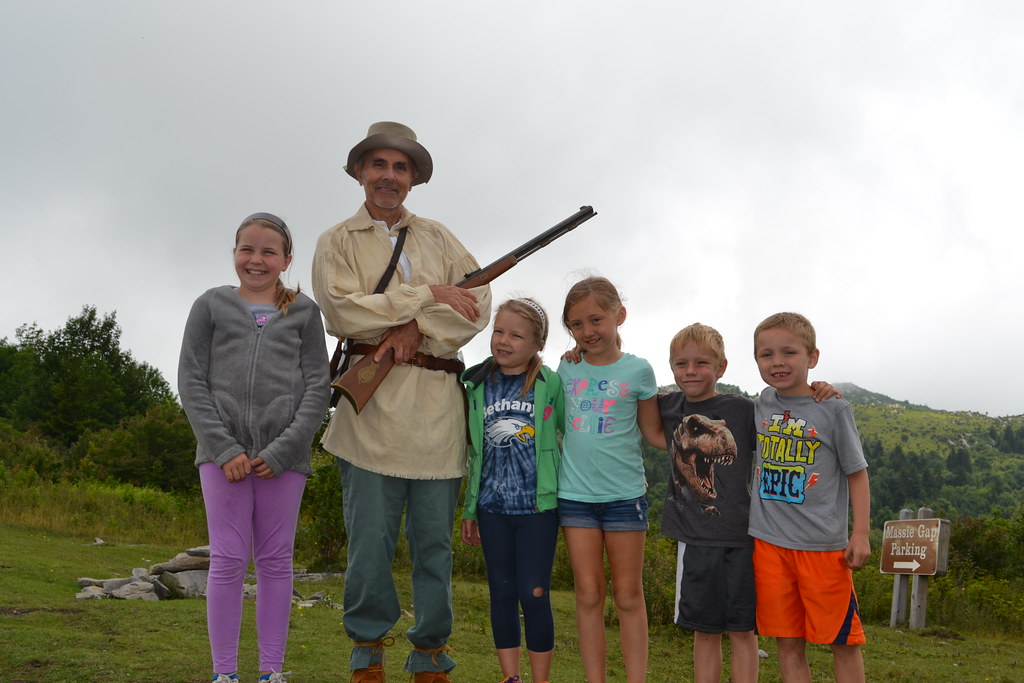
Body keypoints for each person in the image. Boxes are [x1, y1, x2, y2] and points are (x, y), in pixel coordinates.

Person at [311, 121, 491, 683]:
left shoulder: (439, 237)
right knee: (369, 546)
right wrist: (426, 296)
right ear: (361, 172)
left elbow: (478, 303)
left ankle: (431, 651)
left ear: (412, 179)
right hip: (370, 421)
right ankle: (367, 650)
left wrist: (417, 329)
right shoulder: (336, 241)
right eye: (379, 165)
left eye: (400, 167)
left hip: (437, 418)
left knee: (434, 547)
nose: (389, 176)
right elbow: (342, 312)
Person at [178, 212, 331, 683]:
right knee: (226, 558)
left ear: (286, 259)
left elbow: (317, 389)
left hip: (282, 463)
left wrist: (283, 450)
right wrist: (223, 448)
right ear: (235, 254)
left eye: (268, 252)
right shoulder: (210, 306)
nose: (257, 260)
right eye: (247, 249)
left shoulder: (304, 312)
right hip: (221, 459)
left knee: (274, 561)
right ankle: (224, 673)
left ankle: (271, 672)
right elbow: (191, 382)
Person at [748, 312, 871, 683]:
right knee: (787, 643)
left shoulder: (833, 408)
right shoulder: (760, 404)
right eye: (766, 354)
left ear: (812, 358)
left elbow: (857, 472)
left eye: (789, 352)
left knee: (843, 642)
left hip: (823, 548)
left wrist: (861, 533)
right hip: (769, 545)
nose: (777, 362)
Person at [557, 276, 660, 683]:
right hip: (574, 496)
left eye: (596, 319)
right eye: (576, 325)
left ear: (620, 315)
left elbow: (654, 434)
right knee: (587, 594)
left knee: (629, 596)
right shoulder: (566, 366)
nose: (587, 332)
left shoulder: (638, 370)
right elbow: (558, 424)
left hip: (625, 496)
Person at [460, 297, 564, 683]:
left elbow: (568, 429)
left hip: (538, 509)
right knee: (501, 594)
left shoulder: (550, 382)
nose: (503, 341)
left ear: (537, 343)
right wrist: (471, 509)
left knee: (534, 593)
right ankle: (511, 678)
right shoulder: (475, 382)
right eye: (498, 331)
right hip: (491, 508)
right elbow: (475, 453)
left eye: (516, 335)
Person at [652, 323, 760, 683]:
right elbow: (625, 395)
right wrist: (579, 356)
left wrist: (819, 390)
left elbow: (787, 417)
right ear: (672, 368)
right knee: (705, 631)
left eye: (701, 363)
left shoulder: (744, 410)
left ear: (721, 367)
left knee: (744, 631)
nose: (691, 371)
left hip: (743, 537)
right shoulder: (668, 406)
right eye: (681, 364)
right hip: (696, 540)